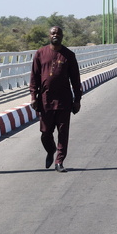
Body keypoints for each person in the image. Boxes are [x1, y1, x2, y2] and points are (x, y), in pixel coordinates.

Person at [30, 26, 82, 173]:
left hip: (64, 100)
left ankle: (59, 161)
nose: (55, 35)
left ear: (62, 36)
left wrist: (77, 99)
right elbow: (34, 77)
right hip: (45, 100)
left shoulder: (69, 55)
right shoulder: (40, 53)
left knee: (63, 132)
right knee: (45, 133)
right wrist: (34, 96)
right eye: (53, 33)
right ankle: (51, 149)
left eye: (58, 33)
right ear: (49, 35)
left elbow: (76, 80)